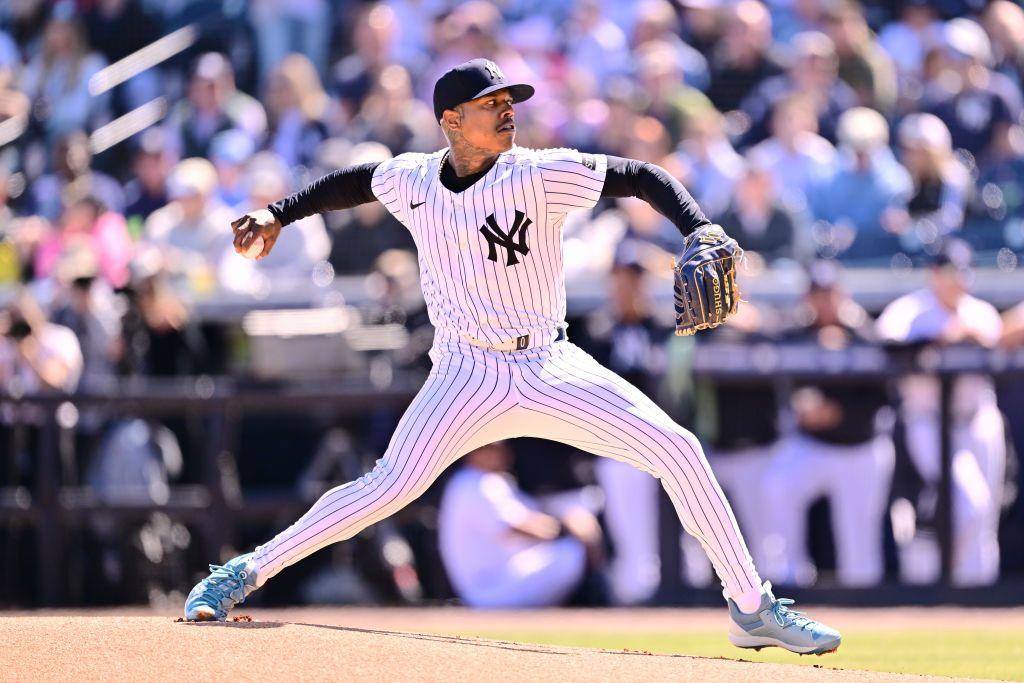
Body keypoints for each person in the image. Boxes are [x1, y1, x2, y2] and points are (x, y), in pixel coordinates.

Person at [184, 58, 841, 655]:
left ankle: (751, 606)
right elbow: (355, 183)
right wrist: (279, 212)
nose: (507, 110)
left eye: (510, 100)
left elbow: (641, 176)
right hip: (465, 373)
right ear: (450, 119)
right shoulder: (413, 180)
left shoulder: (540, 172)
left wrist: (697, 224)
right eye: (490, 101)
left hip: (548, 364)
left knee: (678, 448)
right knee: (383, 487)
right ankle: (243, 570)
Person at [876, 247, 1006, 586]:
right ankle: (950, 591)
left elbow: (1000, 347)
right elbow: (887, 346)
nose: (955, 279)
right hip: (928, 421)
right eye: (948, 271)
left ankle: (977, 600)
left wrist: (975, 339)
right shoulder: (909, 311)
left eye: (962, 271)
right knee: (970, 505)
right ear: (933, 273)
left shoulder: (981, 313)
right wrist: (939, 342)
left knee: (985, 514)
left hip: (978, 419)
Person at [762, 263, 894, 587]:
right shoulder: (796, 334)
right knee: (776, 487)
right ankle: (788, 584)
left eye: (829, 295)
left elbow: (884, 395)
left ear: (842, 295)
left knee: (859, 541)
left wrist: (840, 410)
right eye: (817, 295)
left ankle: (864, 607)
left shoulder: (864, 334)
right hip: (812, 446)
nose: (824, 303)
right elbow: (776, 369)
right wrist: (803, 405)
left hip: (859, 448)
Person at [438, 441, 602, 608]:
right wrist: (567, 527)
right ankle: (594, 603)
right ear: (474, 452)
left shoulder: (471, 479)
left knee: (570, 545)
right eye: (494, 449)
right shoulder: (478, 482)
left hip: (491, 584)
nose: (504, 454)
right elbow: (522, 529)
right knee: (573, 550)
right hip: (492, 589)